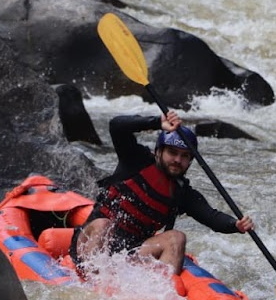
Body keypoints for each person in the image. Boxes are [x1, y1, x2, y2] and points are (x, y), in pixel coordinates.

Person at [71, 110, 253, 278]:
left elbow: (211, 217)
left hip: (130, 254)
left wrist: (235, 224)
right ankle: (93, 284)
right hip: (93, 245)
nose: (177, 160)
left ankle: (161, 299)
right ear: (159, 151)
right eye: (172, 152)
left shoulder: (182, 193)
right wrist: (157, 122)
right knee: (103, 224)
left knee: (177, 237)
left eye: (184, 156)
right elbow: (117, 125)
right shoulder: (135, 160)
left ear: (190, 161)